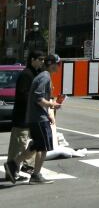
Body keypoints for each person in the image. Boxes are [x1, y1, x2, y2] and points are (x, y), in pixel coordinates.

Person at [5, 54, 62, 185]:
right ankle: (35, 174)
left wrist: (48, 111)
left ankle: (14, 164)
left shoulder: (42, 75)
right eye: (58, 64)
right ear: (51, 64)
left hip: (37, 117)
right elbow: (38, 97)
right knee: (43, 147)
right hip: (38, 118)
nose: (59, 67)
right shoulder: (45, 76)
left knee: (38, 145)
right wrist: (52, 105)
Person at [4, 50, 45, 182]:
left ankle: (25, 166)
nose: (42, 61)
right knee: (18, 145)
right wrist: (37, 100)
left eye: (43, 59)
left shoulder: (36, 74)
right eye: (40, 59)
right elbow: (22, 95)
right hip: (22, 117)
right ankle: (10, 170)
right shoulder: (26, 75)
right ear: (32, 59)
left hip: (32, 117)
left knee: (36, 142)